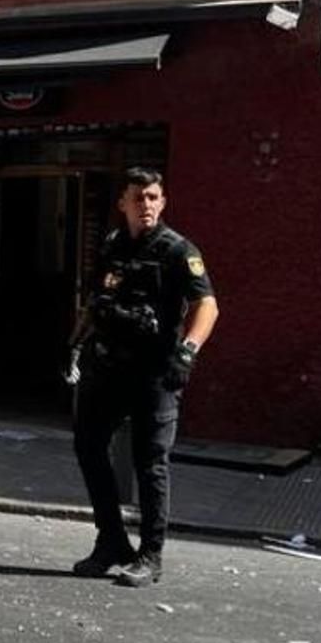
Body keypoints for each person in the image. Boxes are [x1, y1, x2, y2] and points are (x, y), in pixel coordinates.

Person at [65, 167, 219, 588]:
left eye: (153, 197)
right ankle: (111, 541)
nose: (146, 205)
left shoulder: (177, 249)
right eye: (138, 197)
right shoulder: (114, 244)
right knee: (88, 446)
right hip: (107, 366)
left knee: (150, 462)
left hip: (153, 372)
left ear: (162, 202)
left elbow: (207, 305)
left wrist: (187, 352)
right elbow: (97, 300)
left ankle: (151, 555)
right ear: (123, 203)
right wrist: (76, 342)